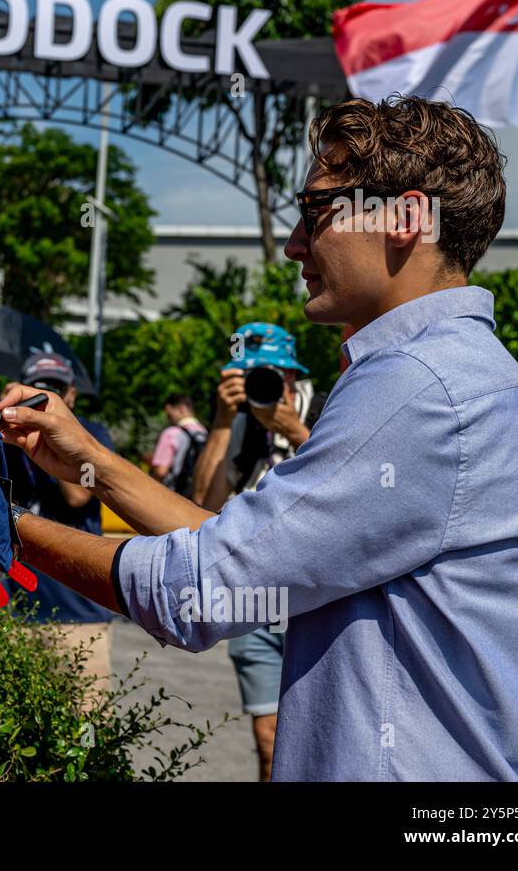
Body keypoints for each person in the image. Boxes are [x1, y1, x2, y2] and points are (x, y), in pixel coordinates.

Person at [0, 95, 518, 781]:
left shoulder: (418, 386)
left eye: (315, 210)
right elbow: (250, 557)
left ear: (407, 218)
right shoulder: (483, 382)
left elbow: (202, 587)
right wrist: (93, 461)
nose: (297, 243)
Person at [190, 324, 322, 780]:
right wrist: (223, 423)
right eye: (247, 377)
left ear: (291, 376)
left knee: (325, 738)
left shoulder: (331, 411)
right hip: (256, 598)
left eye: (267, 376)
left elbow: (348, 484)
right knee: (270, 742)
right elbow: (202, 507)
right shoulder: (239, 426)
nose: (258, 387)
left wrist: (293, 429)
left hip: (318, 599)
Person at [5, 353, 117, 704]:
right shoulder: (10, 439)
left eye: (56, 388)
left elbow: (77, 496)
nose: (47, 396)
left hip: (79, 615)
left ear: (71, 395)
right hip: (20, 611)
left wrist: (48, 432)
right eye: (39, 388)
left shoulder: (92, 435)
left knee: (87, 732)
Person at [149, 393, 206, 497]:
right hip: (199, 496)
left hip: (175, 495)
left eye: (169, 415)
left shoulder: (171, 433)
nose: (168, 419)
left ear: (182, 409)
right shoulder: (205, 433)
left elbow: (160, 472)